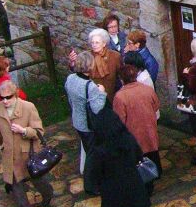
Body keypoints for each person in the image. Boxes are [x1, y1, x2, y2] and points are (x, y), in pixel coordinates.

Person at [84, 105, 157, 207]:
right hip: (132, 184)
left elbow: (93, 173)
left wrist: (95, 186)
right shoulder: (127, 139)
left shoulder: (98, 150)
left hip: (112, 191)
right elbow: (138, 156)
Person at [0, 81, 53, 207]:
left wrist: (23, 131)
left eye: (8, 97)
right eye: (1, 97)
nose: (5, 101)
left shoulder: (28, 107)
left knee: (37, 180)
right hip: (10, 155)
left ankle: (48, 194)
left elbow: (39, 132)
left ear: (15, 94)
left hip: (27, 154)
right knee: (15, 183)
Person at [64, 51, 107, 180]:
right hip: (88, 125)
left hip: (77, 120)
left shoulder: (70, 78)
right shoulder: (90, 86)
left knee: (89, 150)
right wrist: (102, 93)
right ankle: (92, 181)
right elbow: (97, 108)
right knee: (93, 154)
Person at [113, 64, 162, 176]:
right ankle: (157, 172)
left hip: (134, 132)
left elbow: (119, 118)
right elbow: (156, 105)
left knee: (139, 159)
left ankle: (146, 181)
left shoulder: (120, 96)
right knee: (153, 152)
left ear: (121, 79)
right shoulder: (147, 89)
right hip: (149, 128)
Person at [69, 28, 122, 99]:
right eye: (92, 42)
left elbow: (121, 74)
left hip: (109, 94)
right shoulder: (87, 55)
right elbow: (78, 71)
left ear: (104, 43)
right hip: (91, 94)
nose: (94, 45)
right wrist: (72, 62)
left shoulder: (115, 56)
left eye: (97, 42)